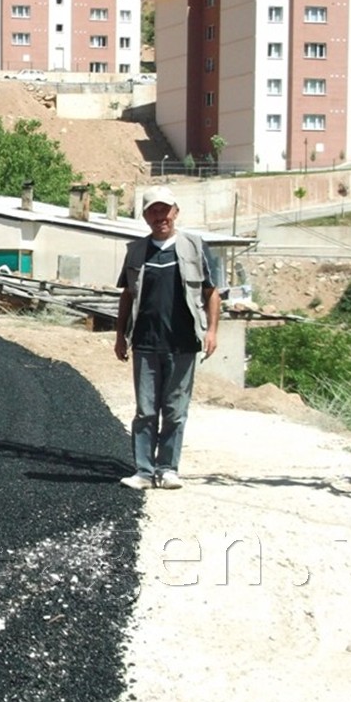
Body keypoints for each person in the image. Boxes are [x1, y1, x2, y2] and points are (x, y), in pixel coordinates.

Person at [113, 186, 221, 490]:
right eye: (153, 211)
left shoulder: (196, 246)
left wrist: (212, 331)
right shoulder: (135, 251)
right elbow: (127, 295)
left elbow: (212, 292)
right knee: (145, 411)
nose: (160, 217)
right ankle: (144, 472)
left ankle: (168, 469)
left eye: (165, 210)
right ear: (145, 216)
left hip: (183, 343)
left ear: (175, 212)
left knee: (175, 411)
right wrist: (120, 336)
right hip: (146, 343)